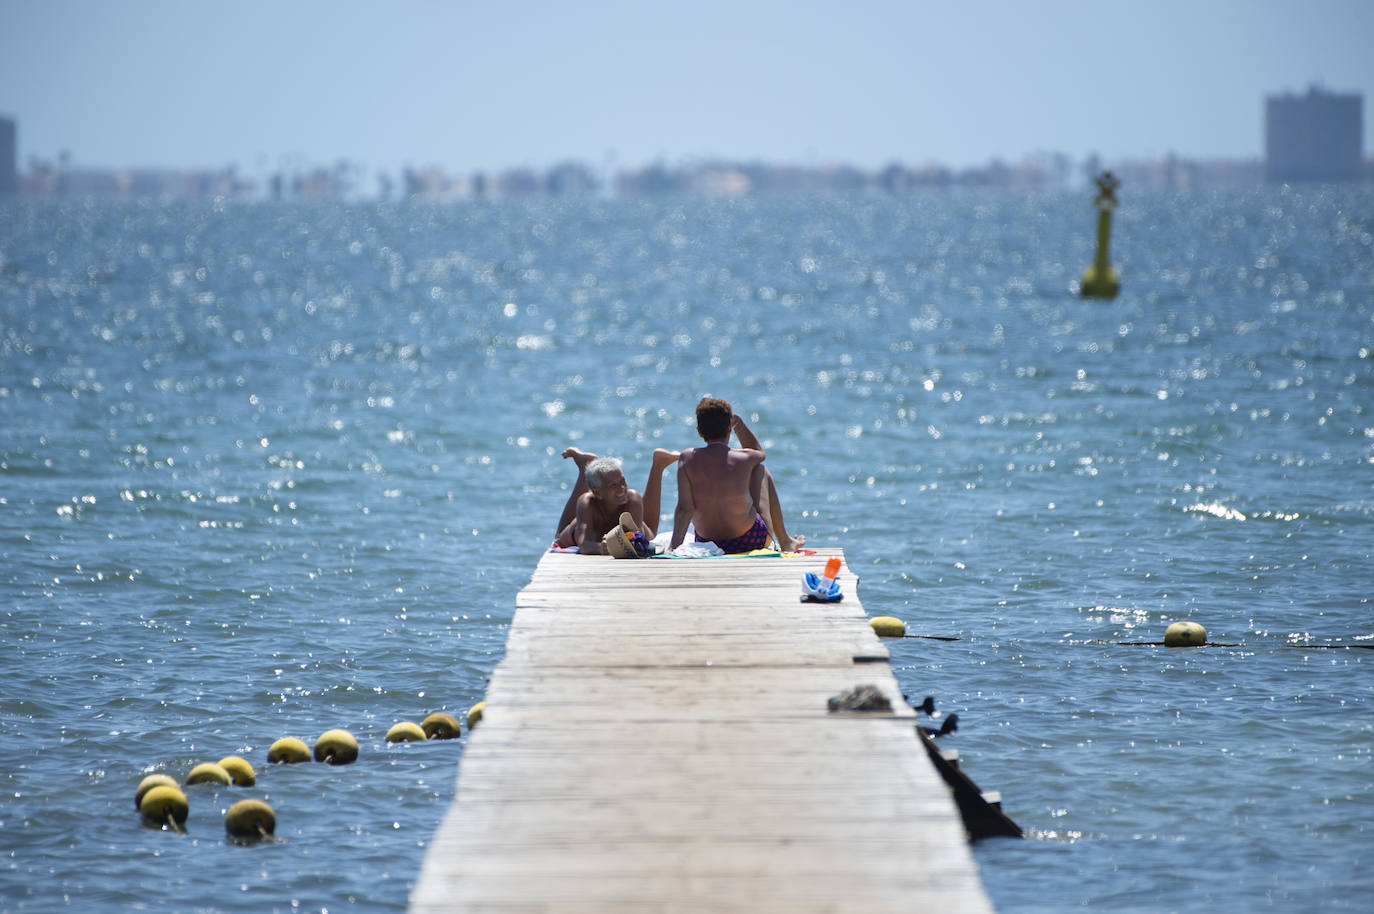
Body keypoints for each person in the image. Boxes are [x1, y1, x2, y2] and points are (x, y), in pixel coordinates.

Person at [669, 397, 805, 554]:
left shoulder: (687, 458)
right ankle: (785, 541)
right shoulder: (745, 458)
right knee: (760, 469)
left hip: (707, 541)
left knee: (754, 469)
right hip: (749, 540)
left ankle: (786, 541)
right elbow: (759, 453)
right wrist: (738, 423)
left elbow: (684, 508)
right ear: (729, 429)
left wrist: (674, 547)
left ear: (699, 430)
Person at [553, 447, 679, 554]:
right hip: (578, 534)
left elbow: (639, 539)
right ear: (597, 492)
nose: (622, 488)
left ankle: (659, 465)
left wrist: (626, 541)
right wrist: (601, 548)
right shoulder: (587, 503)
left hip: (619, 530)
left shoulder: (632, 498)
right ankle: (584, 467)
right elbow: (584, 544)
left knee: (650, 533)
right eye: (614, 485)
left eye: (622, 481)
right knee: (559, 536)